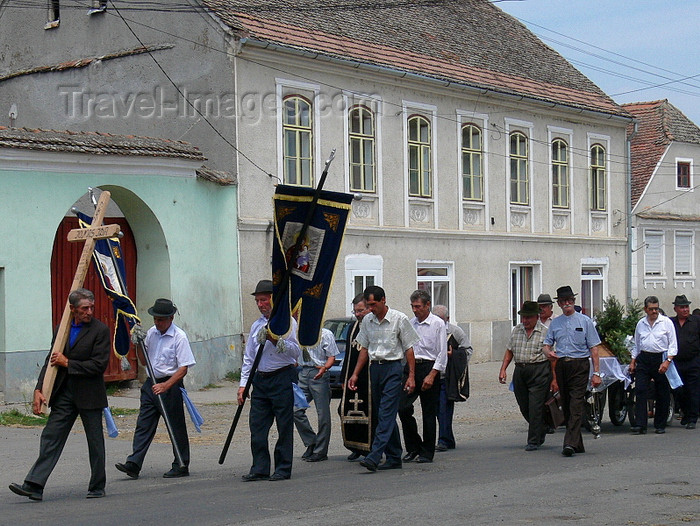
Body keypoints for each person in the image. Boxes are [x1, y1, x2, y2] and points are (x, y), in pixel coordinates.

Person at [9, 288, 110, 501]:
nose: (89, 312)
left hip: (90, 394)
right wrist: (39, 389)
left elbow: (99, 365)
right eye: (84, 308)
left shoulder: (100, 330)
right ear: (72, 309)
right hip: (65, 392)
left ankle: (97, 485)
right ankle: (34, 485)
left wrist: (69, 363)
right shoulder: (62, 329)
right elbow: (51, 360)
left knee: (95, 441)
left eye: (91, 307)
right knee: (51, 436)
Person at [115, 298, 196, 479]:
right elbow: (144, 361)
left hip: (170, 385)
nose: (157, 323)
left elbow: (183, 368)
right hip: (151, 383)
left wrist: (166, 385)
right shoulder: (151, 333)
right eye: (155, 319)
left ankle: (181, 464)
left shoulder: (179, 337)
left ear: (171, 318)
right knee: (144, 424)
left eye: (161, 319)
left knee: (175, 426)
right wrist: (138, 345)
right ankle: (134, 463)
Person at [348, 285, 419, 472]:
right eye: (368, 305)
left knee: (386, 412)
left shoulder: (399, 319)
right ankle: (395, 456)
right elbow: (364, 348)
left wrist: (411, 376)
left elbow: (409, 348)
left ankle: (375, 454)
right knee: (382, 413)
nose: (371, 309)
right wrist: (355, 373)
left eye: (373, 304)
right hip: (375, 369)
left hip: (394, 368)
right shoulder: (367, 321)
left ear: (383, 300)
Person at [239, 279, 300, 481]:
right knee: (257, 426)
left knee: (284, 426)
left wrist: (276, 340)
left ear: (273, 300)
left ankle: (283, 468)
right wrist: (243, 385)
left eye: (263, 300)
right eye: (257, 301)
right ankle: (259, 467)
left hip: (281, 378)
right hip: (260, 381)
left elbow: (295, 353)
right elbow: (249, 358)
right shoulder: (257, 325)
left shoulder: (287, 322)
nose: (260, 304)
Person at [543, 285, 602, 457]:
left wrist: (596, 374)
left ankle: (568, 443)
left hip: (580, 365)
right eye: (564, 301)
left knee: (576, 403)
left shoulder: (585, 321)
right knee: (567, 405)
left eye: (570, 300)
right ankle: (578, 444)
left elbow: (594, 349)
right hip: (562, 365)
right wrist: (549, 352)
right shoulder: (556, 323)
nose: (567, 303)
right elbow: (546, 345)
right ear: (559, 304)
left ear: (574, 301)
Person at [398, 290, 447, 463]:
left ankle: (427, 451)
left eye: (418, 306)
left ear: (427, 305)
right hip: (412, 367)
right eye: (412, 306)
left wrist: (433, 374)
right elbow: (407, 348)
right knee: (402, 407)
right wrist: (410, 373)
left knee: (428, 412)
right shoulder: (411, 324)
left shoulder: (438, 324)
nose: (415, 310)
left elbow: (442, 353)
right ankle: (413, 447)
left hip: (429, 367)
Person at [499, 301, 551, 451]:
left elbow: (552, 357)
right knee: (524, 406)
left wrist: (554, 379)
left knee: (535, 406)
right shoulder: (517, 330)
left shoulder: (545, 331)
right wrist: (503, 369)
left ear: (536, 317)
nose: (525, 321)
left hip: (539, 370)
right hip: (520, 370)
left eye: (528, 317)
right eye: (523, 317)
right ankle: (541, 427)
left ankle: (533, 440)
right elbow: (509, 350)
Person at [630, 295, 678, 434]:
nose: (654, 312)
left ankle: (660, 424)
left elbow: (673, 344)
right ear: (645, 309)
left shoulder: (666, 322)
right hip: (644, 358)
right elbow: (636, 344)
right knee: (640, 390)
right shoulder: (641, 324)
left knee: (662, 391)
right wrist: (633, 361)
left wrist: (667, 361)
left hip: (661, 358)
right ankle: (640, 424)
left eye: (656, 308)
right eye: (651, 309)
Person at [294, 326, 339, 462]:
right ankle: (311, 441)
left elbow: (332, 356)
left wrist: (325, 368)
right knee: (295, 410)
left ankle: (321, 450)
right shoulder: (298, 333)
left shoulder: (325, 334)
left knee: (323, 414)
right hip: (303, 373)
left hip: (319, 373)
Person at [432, 304, 471, 452]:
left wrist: (453, 355)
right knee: (436, 410)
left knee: (444, 408)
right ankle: (448, 439)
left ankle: (443, 440)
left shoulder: (455, 332)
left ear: (447, 319)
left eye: (441, 319)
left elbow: (468, 350)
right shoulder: (429, 330)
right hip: (432, 375)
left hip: (447, 377)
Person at [339, 293, 372, 461]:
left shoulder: (373, 326)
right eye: (355, 311)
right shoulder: (352, 327)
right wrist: (344, 378)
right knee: (346, 412)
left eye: (361, 310)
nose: (358, 314)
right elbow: (348, 354)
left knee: (369, 414)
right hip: (352, 378)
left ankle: (371, 448)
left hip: (368, 379)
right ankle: (355, 445)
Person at [669, 295, 700, 430]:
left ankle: (692, 418)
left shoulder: (696, 321)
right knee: (679, 390)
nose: (685, 309)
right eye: (682, 307)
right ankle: (685, 413)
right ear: (675, 308)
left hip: (693, 360)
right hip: (676, 362)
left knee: (692, 390)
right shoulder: (670, 322)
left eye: (687, 307)